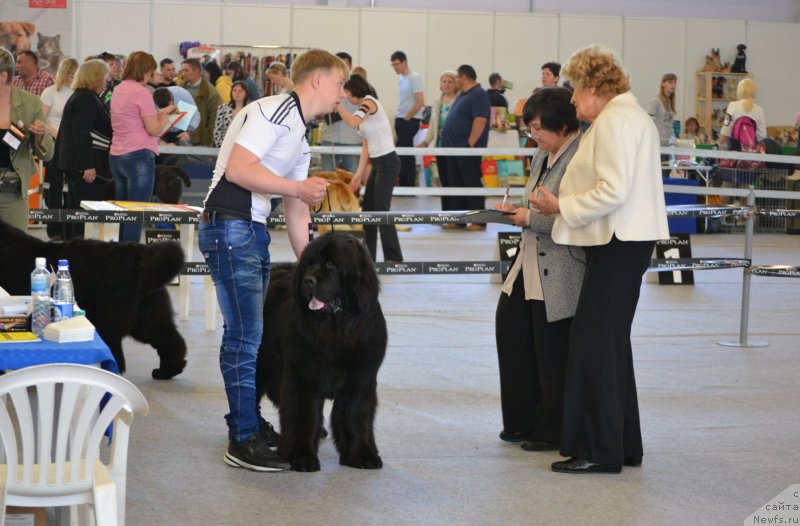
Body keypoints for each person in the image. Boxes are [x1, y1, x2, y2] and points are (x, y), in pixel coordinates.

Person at [529, 44, 669, 474]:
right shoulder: (631, 118)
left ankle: (596, 450)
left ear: (593, 86)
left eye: (575, 91)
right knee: (609, 347)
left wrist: (561, 207)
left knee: (593, 346)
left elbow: (612, 191)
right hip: (627, 241)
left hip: (617, 241)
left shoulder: (614, 123)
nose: (572, 100)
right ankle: (622, 444)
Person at [198, 49, 339, 472]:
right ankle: (242, 438)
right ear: (316, 80)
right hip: (231, 225)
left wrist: (313, 269)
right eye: (338, 84)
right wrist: (296, 189)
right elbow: (240, 170)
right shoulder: (274, 111)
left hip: (250, 229)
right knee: (244, 337)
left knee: (249, 338)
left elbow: (297, 212)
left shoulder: (299, 130)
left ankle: (247, 425)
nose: (341, 96)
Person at [494, 87, 585, 451]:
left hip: (560, 266)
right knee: (512, 333)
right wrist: (513, 209)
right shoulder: (542, 154)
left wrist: (527, 216)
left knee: (551, 353)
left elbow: (574, 215)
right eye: (530, 129)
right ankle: (521, 422)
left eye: (538, 128)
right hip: (529, 259)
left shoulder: (579, 156)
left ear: (562, 123)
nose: (534, 136)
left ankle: (550, 430)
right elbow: (536, 199)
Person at [336, 73, 403, 262]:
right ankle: (368, 256)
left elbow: (352, 122)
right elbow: (366, 146)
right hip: (378, 163)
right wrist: (357, 176)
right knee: (368, 209)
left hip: (388, 162)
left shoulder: (369, 102)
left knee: (381, 209)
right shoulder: (362, 111)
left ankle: (394, 258)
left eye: (346, 92)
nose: (346, 97)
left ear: (354, 89)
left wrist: (337, 105)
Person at [109, 51, 172, 242]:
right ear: (145, 70)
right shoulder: (142, 92)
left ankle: (120, 254)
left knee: (124, 212)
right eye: (150, 71)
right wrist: (165, 118)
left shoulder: (119, 89)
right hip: (138, 155)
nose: (150, 76)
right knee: (137, 213)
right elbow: (153, 129)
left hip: (117, 155)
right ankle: (130, 257)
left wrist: (158, 115)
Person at [54, 59, 113, 240]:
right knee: (83, 216)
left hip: (78, 165)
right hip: (85, 167)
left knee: (75, 213)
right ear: (95, 77)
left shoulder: (82, 97)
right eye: (104, 76)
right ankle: (80, 255)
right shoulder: (86, 99)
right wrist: (87, 165)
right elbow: (81, 134)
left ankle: (73, 253)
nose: (107, 80)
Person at [0, 47, 53, 230]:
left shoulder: (30, 103)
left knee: (15, 251)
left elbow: (48, 155)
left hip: (13, 193)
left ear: (3, 76)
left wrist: (39, 137)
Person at [440, 64, 491, 231]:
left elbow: (480, 120)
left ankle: (478, 220)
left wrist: (470, 144)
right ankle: (458, 219)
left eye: (456, 78)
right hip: (453, 148)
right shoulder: (463, 95)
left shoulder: (478, 94)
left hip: (466, 148)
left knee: (470, 183)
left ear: (464, 77)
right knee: (456, 184)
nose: (455, 82)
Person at [40, 57, 78, 240]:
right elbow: (42, 119)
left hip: (73, 145)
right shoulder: (50, 92)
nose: (72, 77)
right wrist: (59, 136)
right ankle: (54, 229)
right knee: (54, 189)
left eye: (75, 75)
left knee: (72, 188)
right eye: (70, 74)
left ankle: (69, 228)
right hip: (54, 143)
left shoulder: (78, 93)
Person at [417, 70, 458, 220]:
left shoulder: (459, 100)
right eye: (444, 81)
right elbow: (433, 126)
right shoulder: (437, 101)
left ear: (455, 84)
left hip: (454, 147)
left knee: (454, 182)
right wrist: (424, 142)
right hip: (440, 146)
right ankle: (446, 215)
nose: (446, 84)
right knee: (444, 181)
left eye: (450, 81)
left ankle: (456, 216)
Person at [320, 54, 360, 174]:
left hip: (352, 140)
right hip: (329, 138)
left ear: (351, 66)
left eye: (345, 65)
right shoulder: (325, 85)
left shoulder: (361, 85)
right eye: (338, 65)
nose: (342, 68)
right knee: (327, 180)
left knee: (352, 179)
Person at [390, 51, 425, 187]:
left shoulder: (414, 78)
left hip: (410, 120)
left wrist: (407, 118)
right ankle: (406, 184)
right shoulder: (401, 79)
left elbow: (420, 101)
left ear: (404, 62)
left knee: (404, 153)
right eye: (393, 65)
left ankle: (407, 185)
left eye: (397, 64)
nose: (395, 67)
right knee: (405, 152)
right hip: (401, 118)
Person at [181, 58, 221, 147]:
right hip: (182, 138)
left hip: (200, 142)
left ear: (197, 71)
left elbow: (214, 120)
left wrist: (209, 143)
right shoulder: (181, 89)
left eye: (186, 70)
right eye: (182, 70)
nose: (183, 73)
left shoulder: (211, 93)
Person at [718, 78, 767, 147]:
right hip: (751, 150)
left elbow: (726, 129)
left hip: (735, 148)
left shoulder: (732, 105)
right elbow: (762, 135)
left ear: (739, 90)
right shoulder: (759, 110)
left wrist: (719, 144)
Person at [212, 80, 252, 148]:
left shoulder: (251, 110)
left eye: (240, 91)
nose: (237, 93)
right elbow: (217, 131)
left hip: (244, 147)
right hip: (225, 146)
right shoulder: (223, 108)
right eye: (234, 90)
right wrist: (222, 147)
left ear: (246, 93)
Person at [647, 73, 678, 149]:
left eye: (674, 83)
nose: (673, 85)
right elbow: (647, 121)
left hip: (668, 142)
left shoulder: (670, 102)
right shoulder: (655, 101)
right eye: (670, 83)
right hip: (658, 142)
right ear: (662, 84)